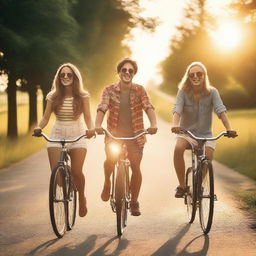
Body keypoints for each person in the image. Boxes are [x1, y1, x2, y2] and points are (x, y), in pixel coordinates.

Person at [95, 58, 158, 216]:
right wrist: (97, 124)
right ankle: (107, 182)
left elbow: (148, 106)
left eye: (131, 71)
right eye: (124, 70)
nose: (127, 73)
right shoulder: (109, 90)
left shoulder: (140, 90)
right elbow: (102, 106)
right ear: (119, 72)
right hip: (113, 136)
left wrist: (154, 123)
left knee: (135, 167)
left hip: (135, 137)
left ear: (134, 74)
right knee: (110, 160)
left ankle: (134, 201)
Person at [33, 63, 95, 217]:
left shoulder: (83, 95)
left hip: (77, 132)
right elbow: (46, 117)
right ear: (58, 78)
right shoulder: (52, 96)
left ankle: (82, 198)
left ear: (75, 77)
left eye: (69, 75)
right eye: (62, 75)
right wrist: (39, 127)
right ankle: (67, 183)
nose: (66, 77)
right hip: (57, 132)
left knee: (76, 171)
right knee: (59, 180)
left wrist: (91, 128)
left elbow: (88, 116)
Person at [171, 61, 237, 198]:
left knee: (208, 156)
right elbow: (177, 109)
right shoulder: (183, 92)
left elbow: (221, 111)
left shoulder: (212, 92)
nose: (196, 77)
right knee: (178, 148)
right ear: (188, 77)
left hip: (206, 135)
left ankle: (198, 186)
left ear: (204, 75)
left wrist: (229, 129)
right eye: (192, 75)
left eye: (199, 74)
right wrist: (175, 125)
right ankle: (182, 186)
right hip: (186, 133)